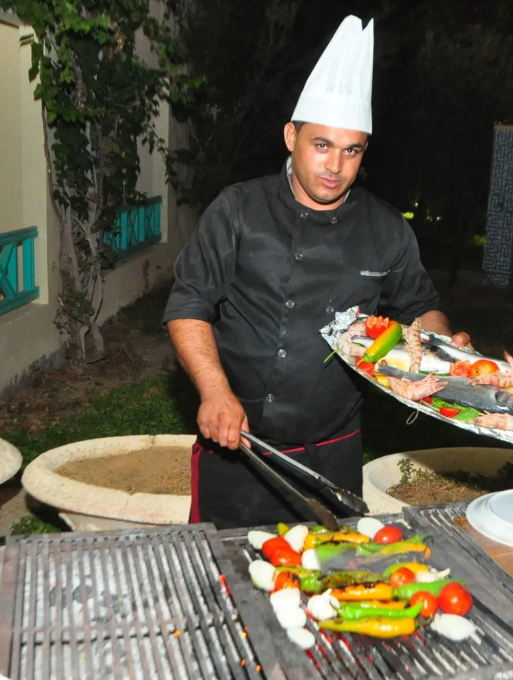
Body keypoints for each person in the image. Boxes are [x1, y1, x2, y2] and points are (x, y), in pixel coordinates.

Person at [163, 15, 470, 529]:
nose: (335, 166)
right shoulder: (238, 210)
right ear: (292, 136)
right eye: (321, 145)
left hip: (333, 451)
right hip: (238, 441)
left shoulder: (386, 228)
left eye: (352, 150)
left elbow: (420, 306)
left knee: (329, 571)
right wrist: (215, 392)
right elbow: (188, 304)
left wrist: (443, 347)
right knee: (225, 571)